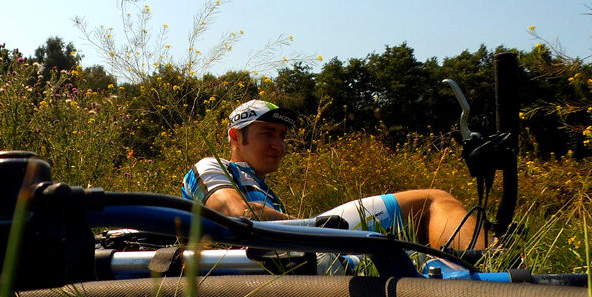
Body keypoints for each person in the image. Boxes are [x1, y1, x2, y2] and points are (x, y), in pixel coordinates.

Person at [181, 99, 489, 252]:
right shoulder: (211, 166)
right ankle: (493, 262)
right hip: (295, 248)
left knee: (418, 233)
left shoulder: (262, 187)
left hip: (300, 246)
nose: (279, 145)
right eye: (267, 134)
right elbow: (236, 214)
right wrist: (320, 229)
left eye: (282, 135)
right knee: (431, 200)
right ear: (235, 137)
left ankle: (470, 270)